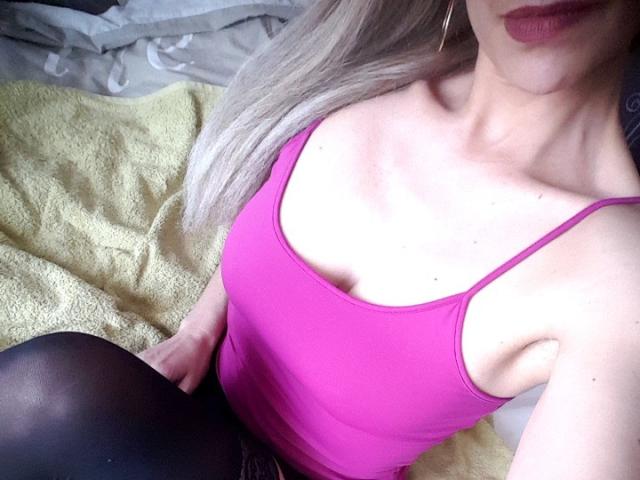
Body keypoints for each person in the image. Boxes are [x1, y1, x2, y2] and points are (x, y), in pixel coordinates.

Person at [1, 1, 639, 479]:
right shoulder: (355, 76)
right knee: (53, 390)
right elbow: (264, 226)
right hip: (192, 410)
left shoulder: (617, 273)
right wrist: (197, 329)